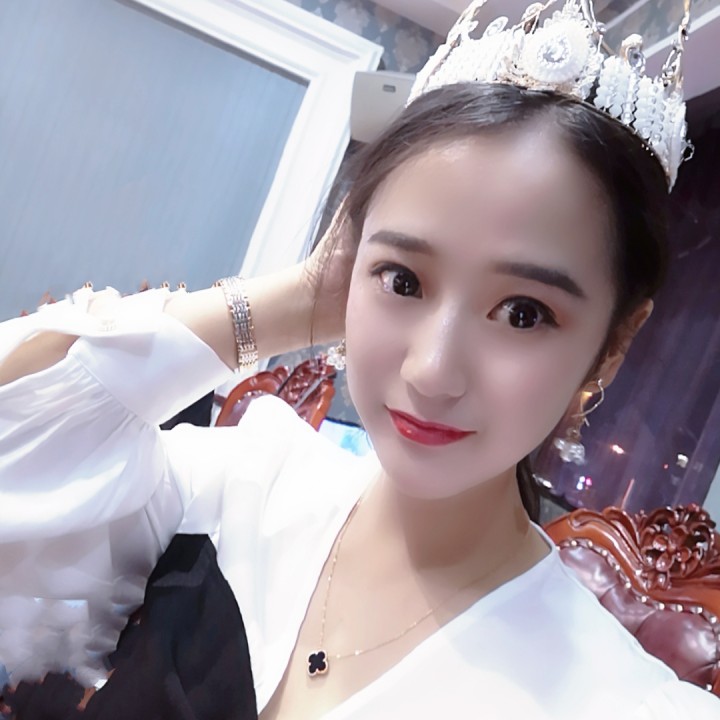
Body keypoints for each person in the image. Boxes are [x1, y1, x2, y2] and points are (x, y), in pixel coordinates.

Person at [0, 0, 718, 717]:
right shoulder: (240, 486)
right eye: (402, 280)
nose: (431, 371)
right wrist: (295, 302)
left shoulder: (622, 702)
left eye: (524, 313)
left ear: (612, 345)